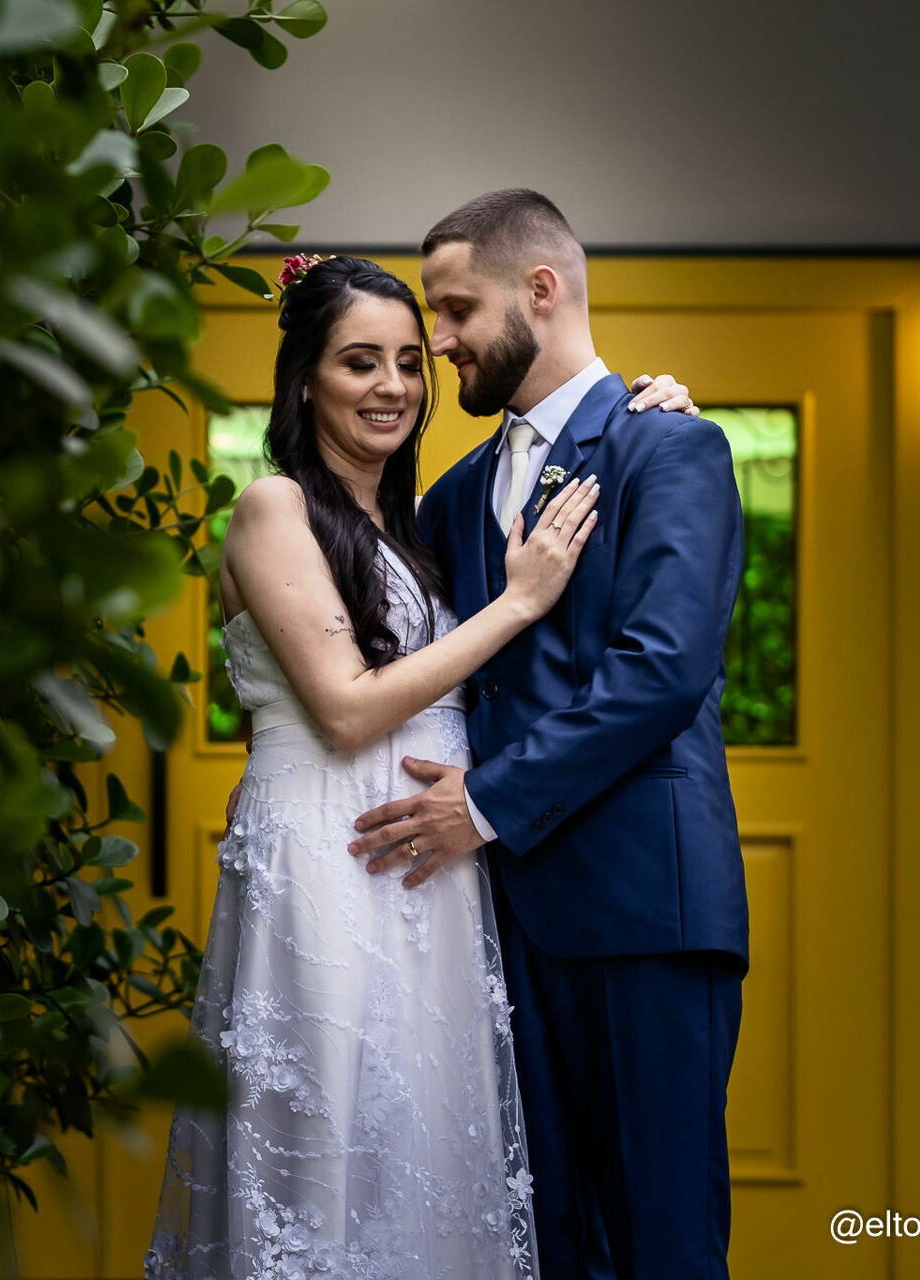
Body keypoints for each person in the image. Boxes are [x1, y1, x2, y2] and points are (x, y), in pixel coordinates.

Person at [143, 252, 697, 1280]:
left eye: (409, 361)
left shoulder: (425, 521)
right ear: (305, 379)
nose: (393, 384)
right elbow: (347, 707)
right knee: (327, 1154)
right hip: (333, 863)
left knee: (430, 1162)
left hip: (438, 881)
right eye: (360, 362)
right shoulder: (273, 508)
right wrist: (519, 602)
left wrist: (642, 413)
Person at [346, 191, 748, 1280]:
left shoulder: (672, 447)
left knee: (662, 1242)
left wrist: (481, 805)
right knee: (545, 1246)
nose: (438, 341)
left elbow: (663, 671)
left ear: (540, 289)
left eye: (455, 309)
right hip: (497, 927)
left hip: (644, 914)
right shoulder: (453, 495)